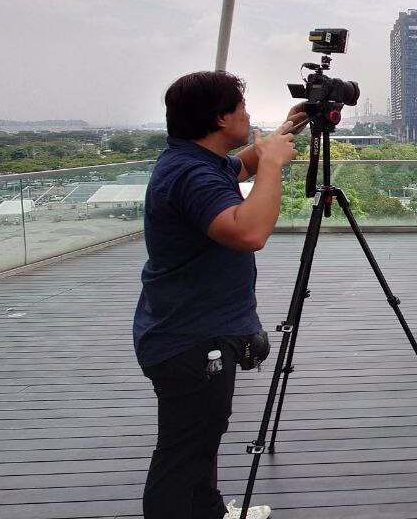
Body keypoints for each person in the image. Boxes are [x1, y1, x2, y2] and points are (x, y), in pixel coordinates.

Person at [133, 70, 304, 519]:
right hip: (190, 337)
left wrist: (285, 132)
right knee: (182, 452)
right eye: (243, 108)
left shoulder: (194, 159)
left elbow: (242, 164)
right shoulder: (192, 173)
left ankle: (209, 512)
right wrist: (272, 165)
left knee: (199, 438)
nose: (249, 115)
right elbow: (248, 232)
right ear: (220, 117)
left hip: (186, 328)